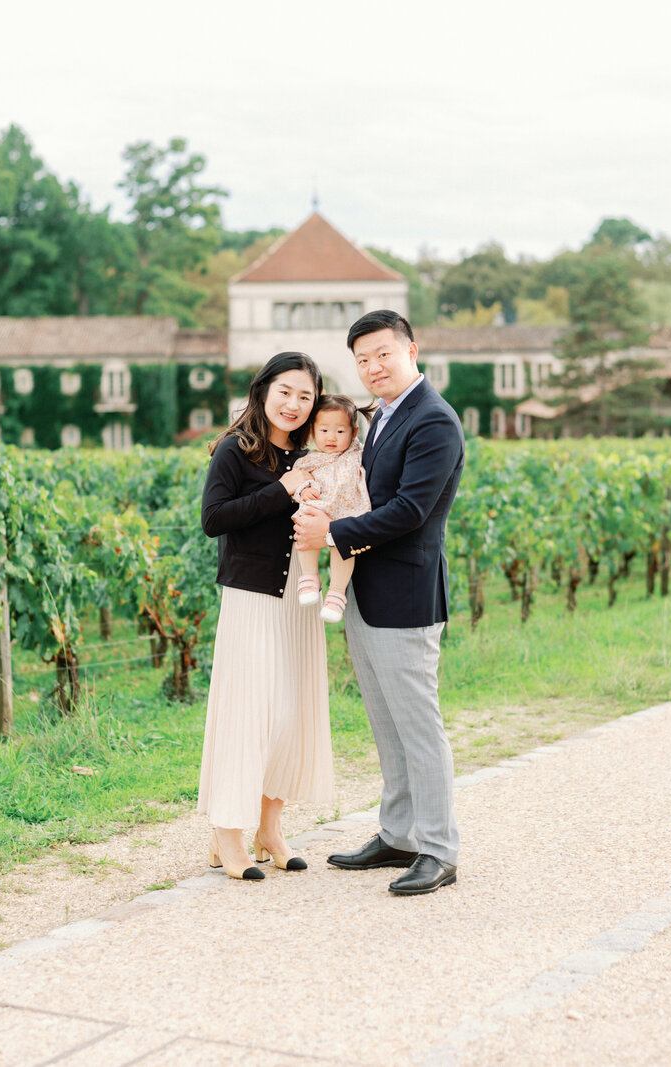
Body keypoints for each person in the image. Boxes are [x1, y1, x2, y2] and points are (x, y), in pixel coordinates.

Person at [294, 310, 464, 896]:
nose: (373, 367)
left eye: (382, 354)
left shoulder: (434, 421)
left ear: (412, 350)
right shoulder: (381, 418)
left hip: (407, 594)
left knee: (419, 726)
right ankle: (399, 834)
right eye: (362, 359)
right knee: (387, 724)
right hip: (363, 591)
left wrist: (332, 536)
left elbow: (412, 511)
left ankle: (439, 849)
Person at [198, 352, 334, 880]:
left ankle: (269, 827)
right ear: (263, 391)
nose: (295, 404)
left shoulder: (314, 457)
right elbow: (214, 519)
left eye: (306, 395)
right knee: (247, 715)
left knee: (289, 716)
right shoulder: (236, 451)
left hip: (299, 600)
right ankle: (226, 834)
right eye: (286, 391)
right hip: (252, 598)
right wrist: (282, 490)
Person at [291, 394, 372, 624]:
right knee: (303, 529)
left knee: (344, 545)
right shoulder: (310, 460)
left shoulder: (356, 454)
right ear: (313, 431)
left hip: (345, 513)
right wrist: (304, 490)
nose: (331, 438)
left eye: (340, 431)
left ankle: (336, 594)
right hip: (317, 509)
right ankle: (309, 577)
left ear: (354, 433)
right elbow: (297, 481)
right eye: (324, 430)